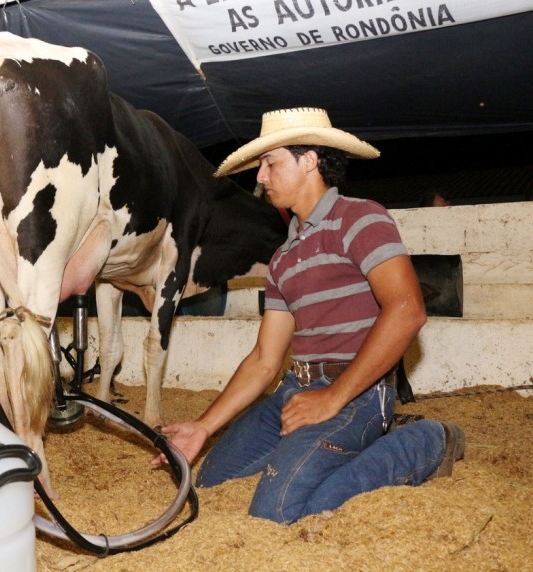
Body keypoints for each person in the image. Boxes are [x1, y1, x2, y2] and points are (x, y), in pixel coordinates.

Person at [153, 108, 465, 524]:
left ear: (310, 160)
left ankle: (427, 440)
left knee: (279, 510)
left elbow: (408, 310)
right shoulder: (283, 257)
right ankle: (334, 447)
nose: (260, 177)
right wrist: (204, 426)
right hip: (294, 389)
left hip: (356, 391)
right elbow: (265, 359)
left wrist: (333, 398)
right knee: (211, 482)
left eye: (270, 162)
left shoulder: (360, 217)